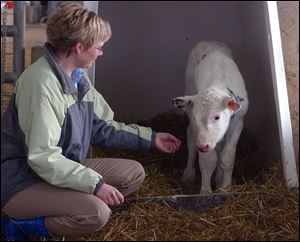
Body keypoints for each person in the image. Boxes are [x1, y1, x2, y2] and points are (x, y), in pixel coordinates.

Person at [1, 3, 181, 240]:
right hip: (22, 180)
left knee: (133, 173)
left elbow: (103, 126)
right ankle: (18, 227)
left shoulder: (77, 78)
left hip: (59, 168)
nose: (100, 53)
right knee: (96, 213)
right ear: (79, 47)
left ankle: (70, 207)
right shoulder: (41, 86)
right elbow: (42, 157)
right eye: (98, 47)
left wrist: (151, 138)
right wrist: (95, 185)